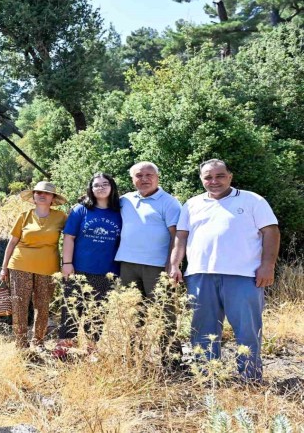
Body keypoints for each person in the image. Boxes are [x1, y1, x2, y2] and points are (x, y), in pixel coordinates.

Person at [169, 159, 279, 381]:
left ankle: (249, 378)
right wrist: (174, 265)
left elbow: (272, 232)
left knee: (247, 330)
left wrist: (268, 265)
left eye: (219, 176)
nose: (214, 181)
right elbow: (181, 237)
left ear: (230, 176)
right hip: (200, 275)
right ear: (201, 179)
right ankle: (207, 377)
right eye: (208, 177)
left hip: (244, 276)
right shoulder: (191, 204)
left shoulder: (252, 200)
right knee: (202, 330)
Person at [115, 162, 182, 366]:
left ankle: (171, 360)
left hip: (157, 267)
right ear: (132, 179)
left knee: (165, 312)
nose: (144, 179)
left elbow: (177, 236)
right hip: (127, 265)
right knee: (132, 312)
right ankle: (133, 357)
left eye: (149, 174)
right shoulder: (125, 200)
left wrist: (173, 264)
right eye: (139, 175)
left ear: (158, 177)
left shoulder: (169, 202)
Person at [56, 173, 122, 351]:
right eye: (96, 185)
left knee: (98, 311)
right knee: (70, 308)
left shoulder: (120, 212)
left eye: (105, 184)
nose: (101, 187)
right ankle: (64, 348)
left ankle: (91, 349)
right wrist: (67, 263)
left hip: (107, 270)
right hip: (78, 268)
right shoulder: (81, 210)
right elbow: (69, 237)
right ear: (90, 189)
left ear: (112, 187)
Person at [0, 181, 67, 350]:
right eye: (38, 192)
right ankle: (21, 343)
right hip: (20, 265)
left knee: (43, 305)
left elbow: (71, 238)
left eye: (47, 193)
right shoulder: (24, 216)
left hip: (48, 268)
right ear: (34, 197)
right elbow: (12, 242)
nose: (42, 195)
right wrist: (4, 267)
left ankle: (39, 341)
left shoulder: (61, 217)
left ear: (53, 198)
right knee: (19, 304)